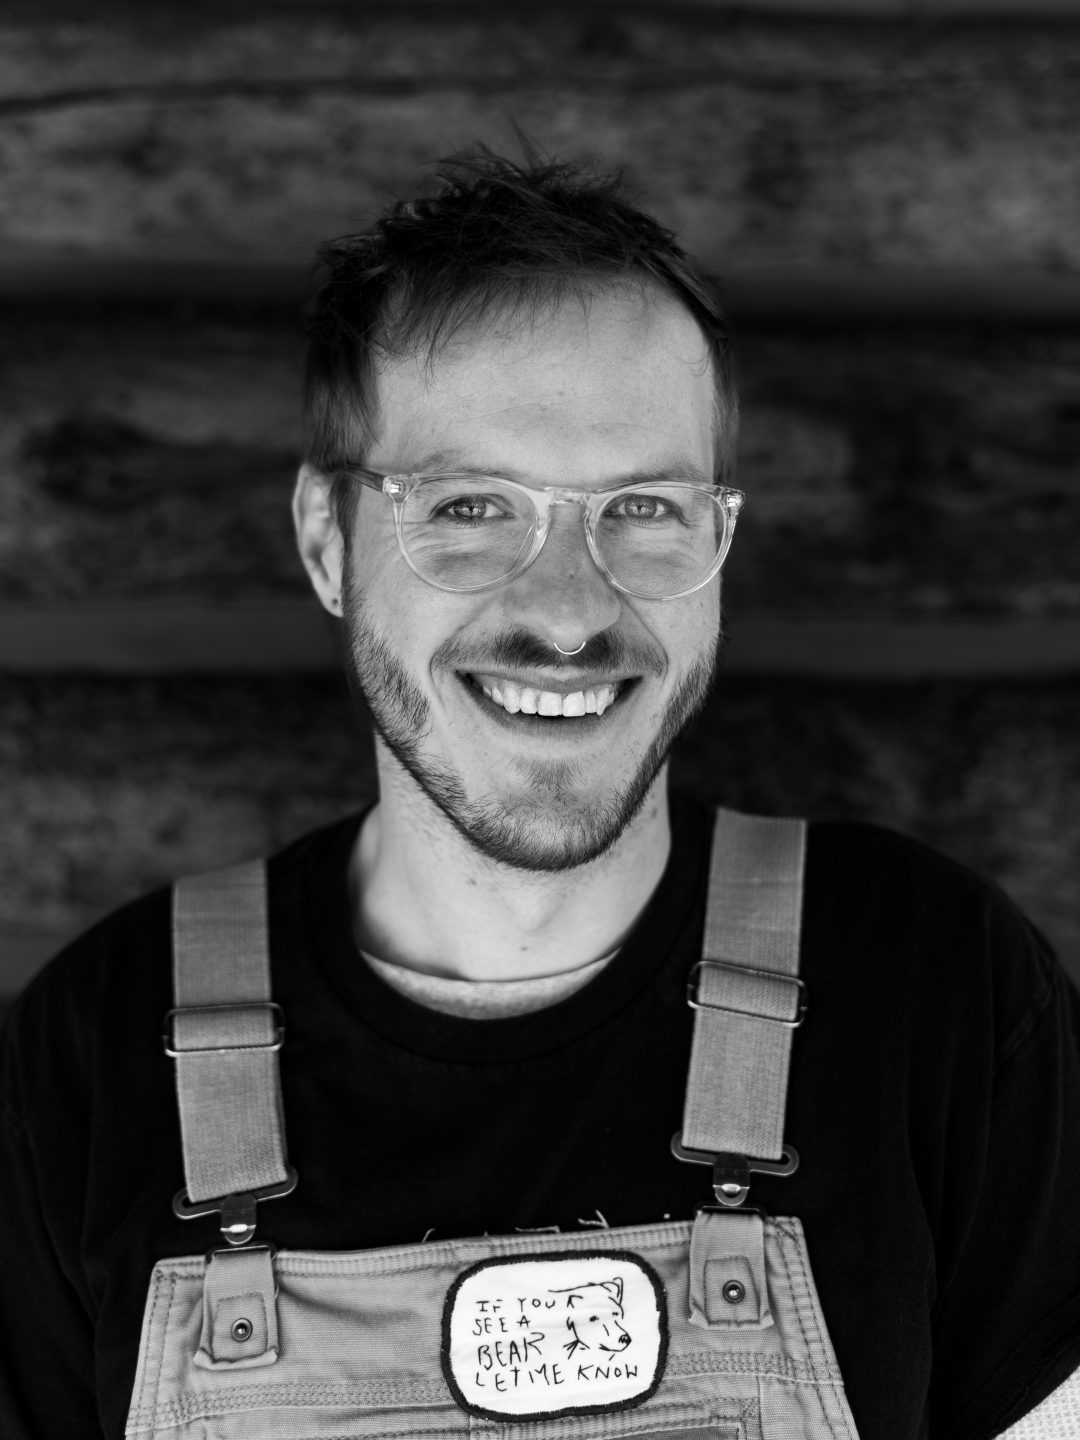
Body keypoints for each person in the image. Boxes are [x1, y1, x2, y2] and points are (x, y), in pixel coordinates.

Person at [2, 147, 1079, 1440]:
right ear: (327, 542)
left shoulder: (940, 997)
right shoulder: (90, 1065)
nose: (569, 615)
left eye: (645, 506)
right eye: (469, 507)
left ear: (721, 535)